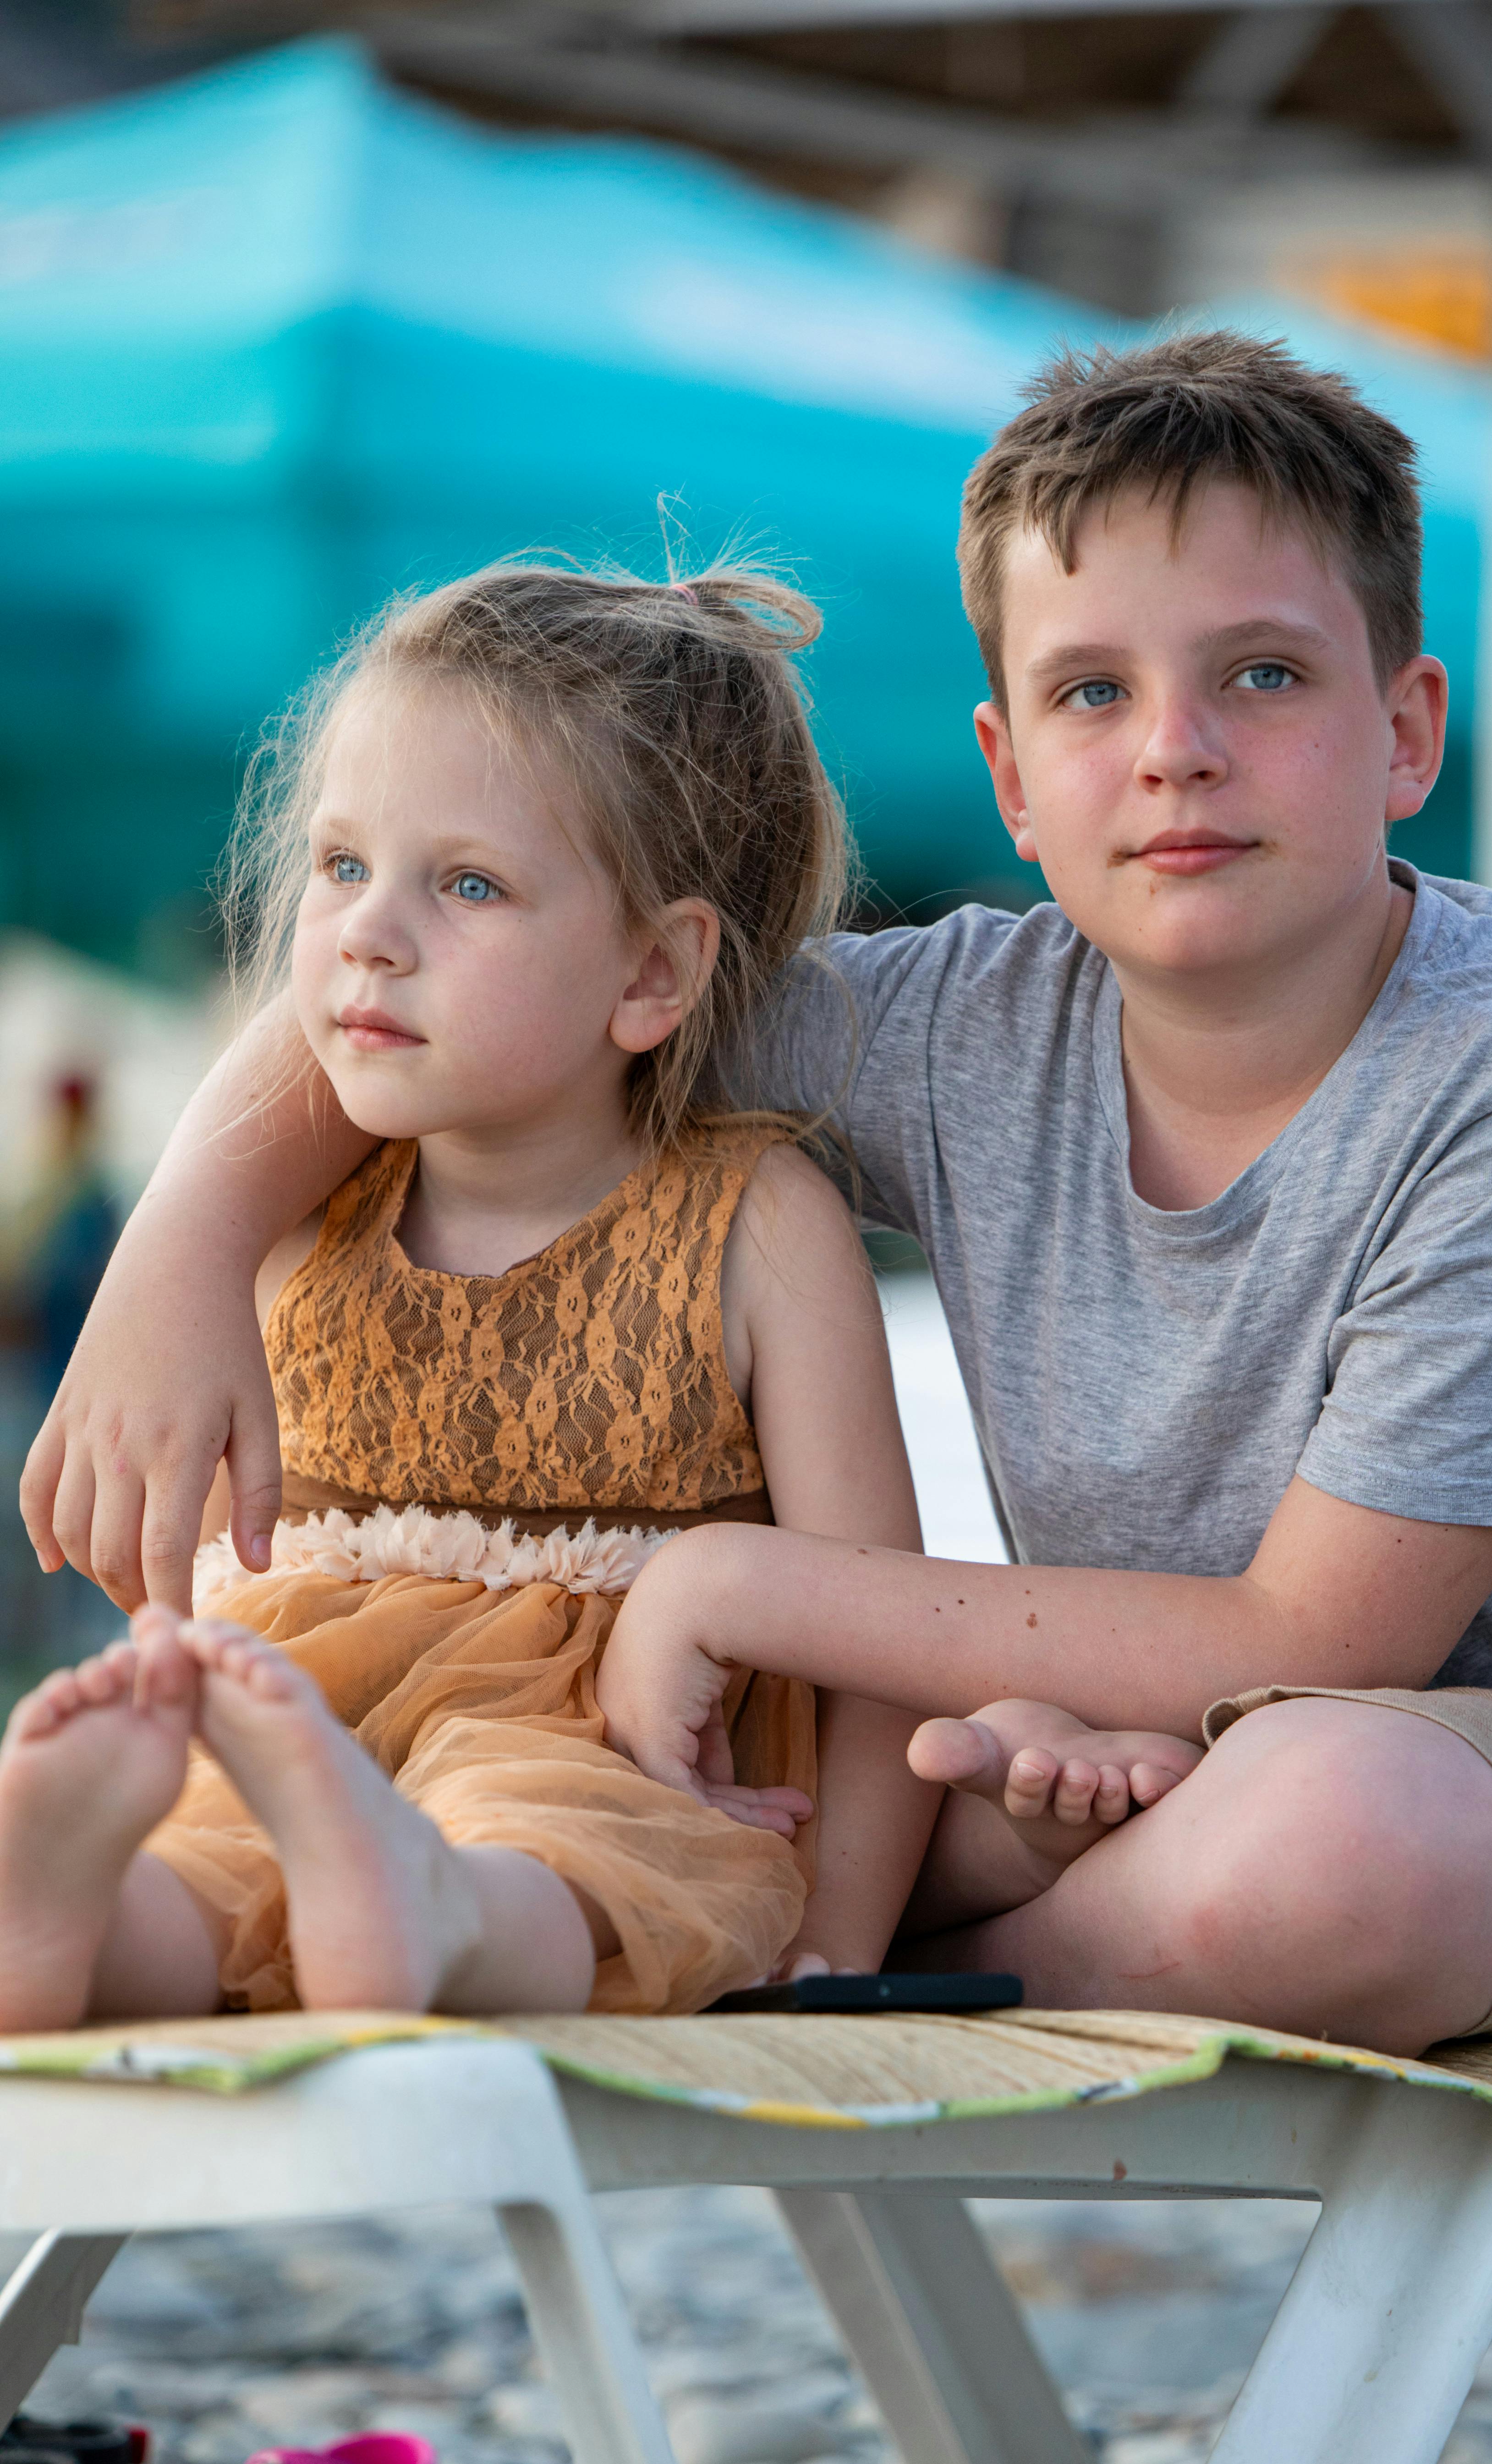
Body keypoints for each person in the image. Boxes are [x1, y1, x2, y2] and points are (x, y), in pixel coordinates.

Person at [24, 334, 1492, 2060]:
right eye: (1092, 690)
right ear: (1005, 773)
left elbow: (1323, 1652)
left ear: (1406, 732)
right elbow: (475, 993)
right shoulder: (966, 1027)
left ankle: (842, 1990)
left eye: (1262, 674)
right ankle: (703, 1926)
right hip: (1132, 1752)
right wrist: (177, 1258)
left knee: (1322, 1831)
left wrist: (734, 1579)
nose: (1174, 748)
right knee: (843, 1778)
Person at [0, 562, 935, 2031]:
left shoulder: (757, 1227)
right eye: (341, 865)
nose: (370, 932)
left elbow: (880, 1635)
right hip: (297, 1711)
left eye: (470, 884)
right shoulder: (294, 1194)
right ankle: (75, 1916)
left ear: (653, 971)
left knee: (555, 1847)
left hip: (604, 1743)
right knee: (211, 1870)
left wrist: (846, 1936)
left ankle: (419, 1903)